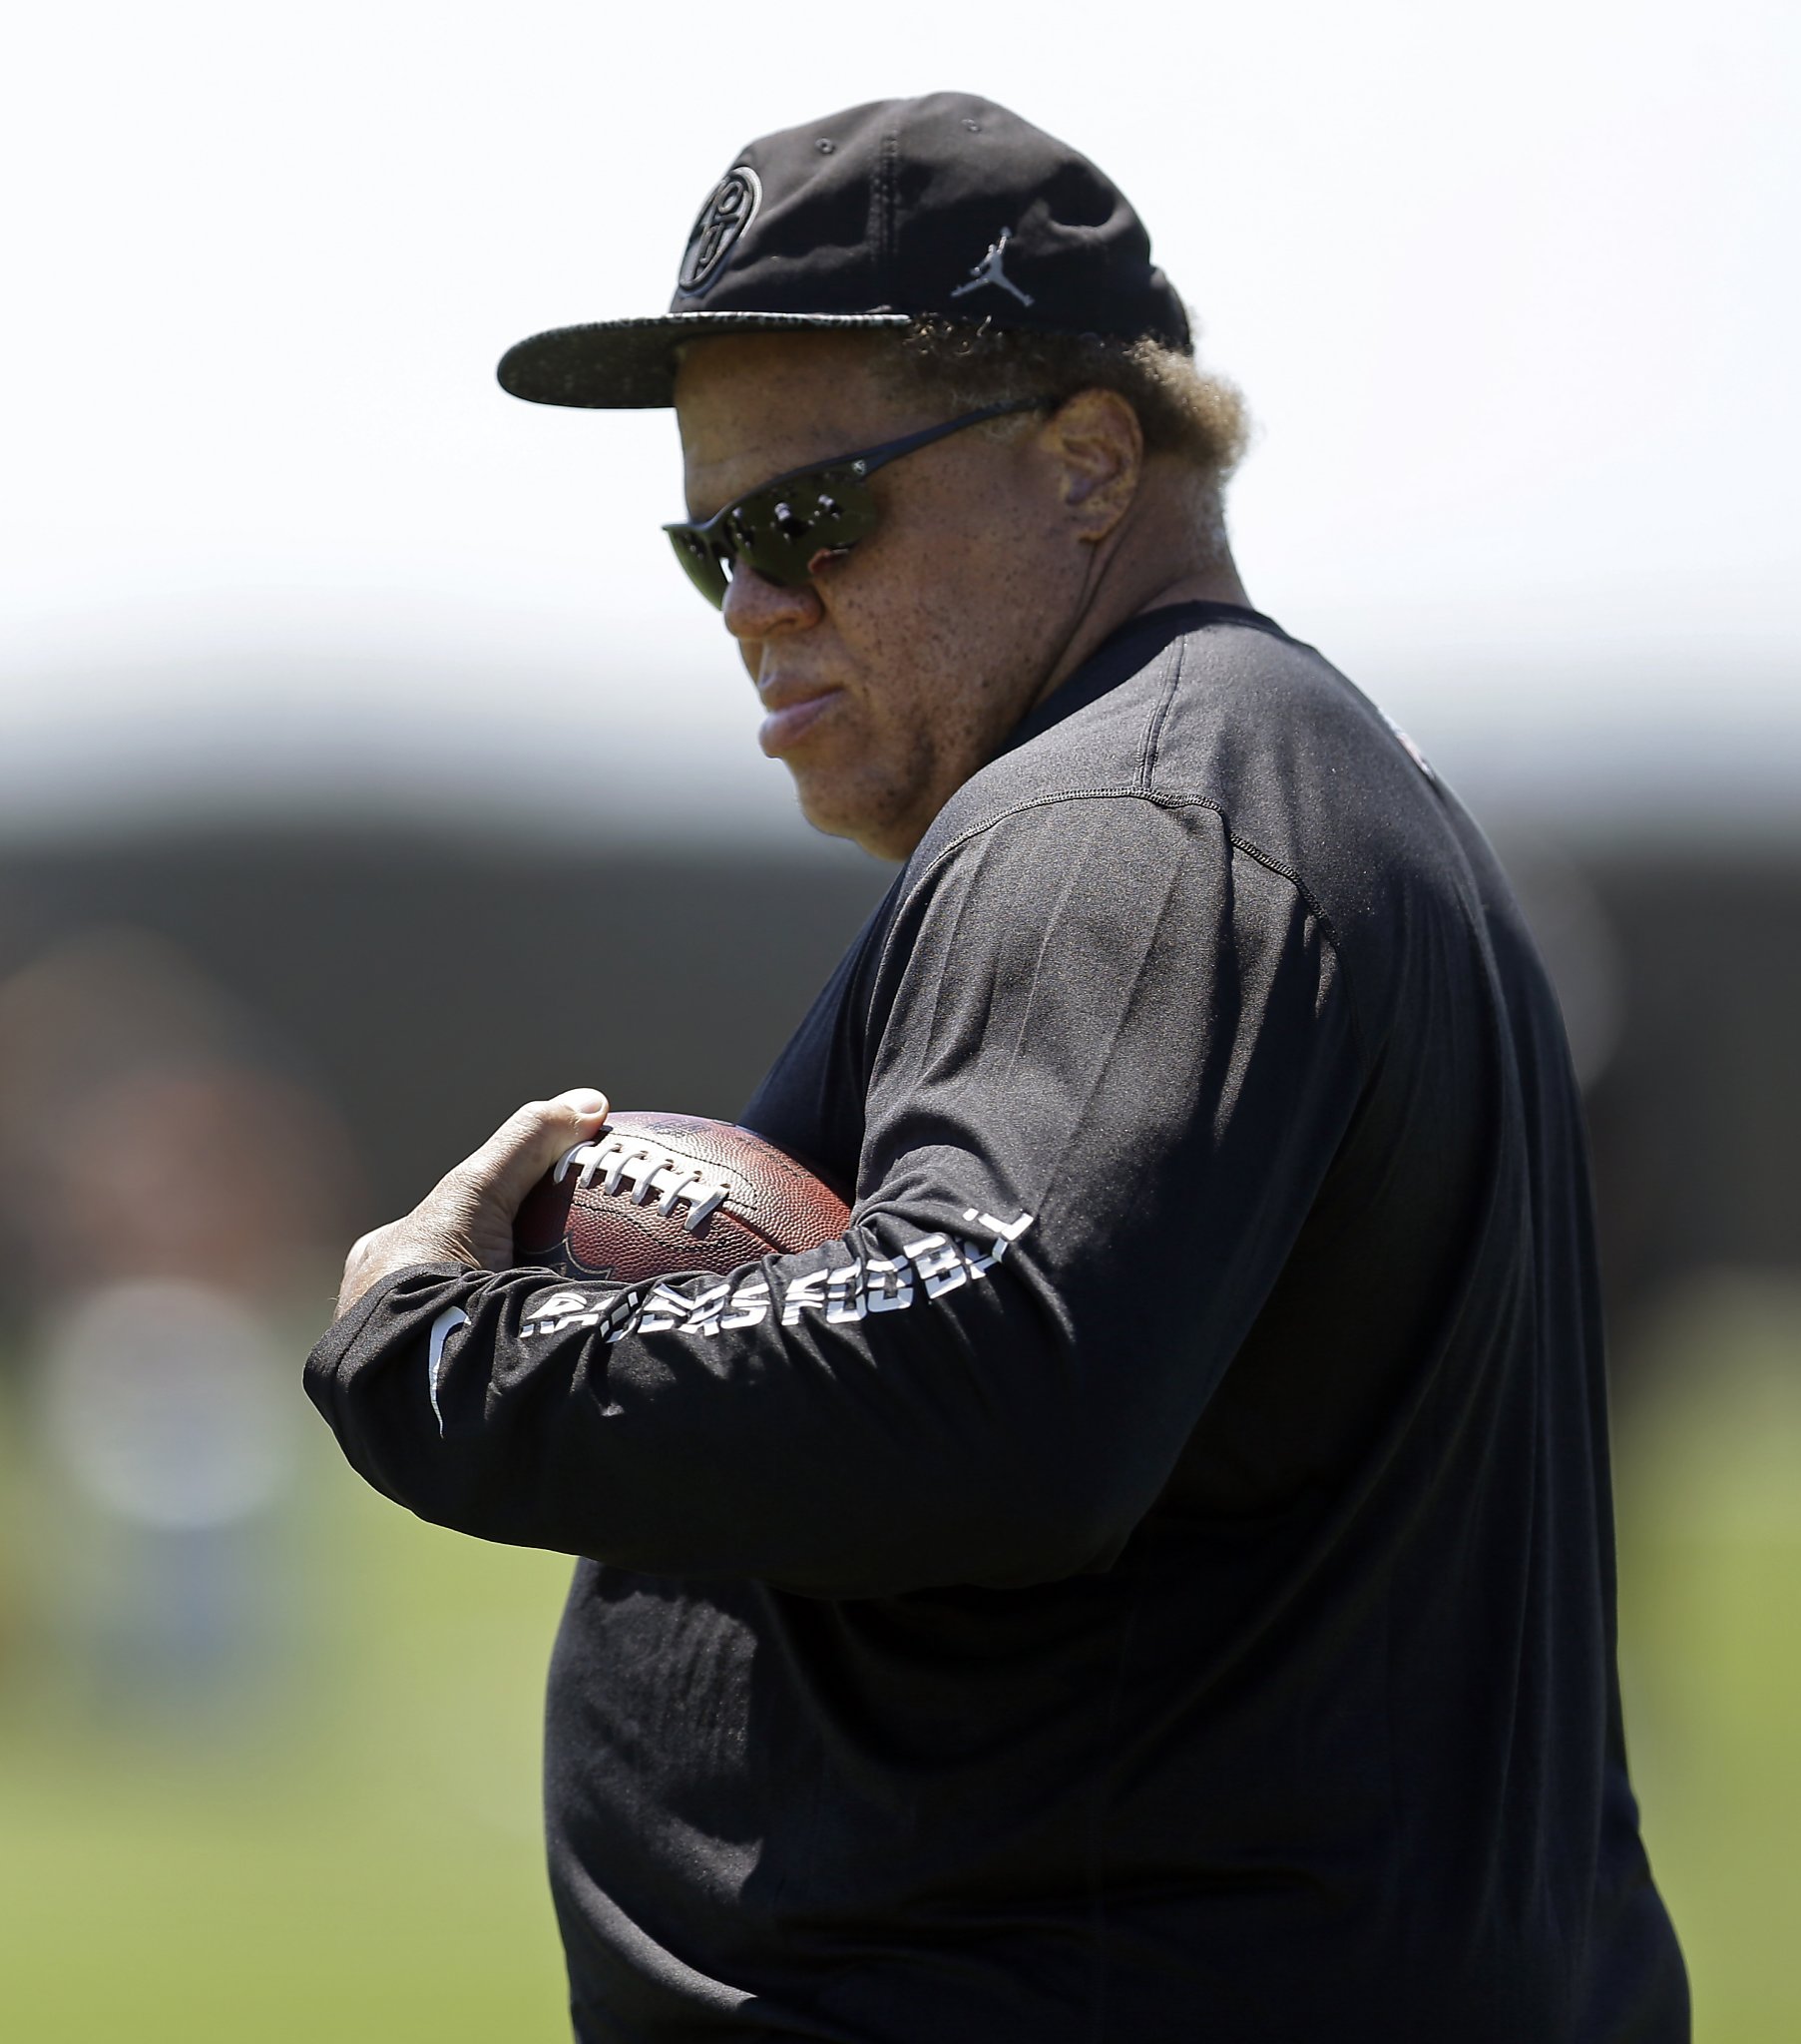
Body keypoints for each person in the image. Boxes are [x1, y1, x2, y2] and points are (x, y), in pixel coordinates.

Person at [307, 93, 1688, 2041]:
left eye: (810, 517)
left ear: (1088, 462)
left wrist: (440, 1345)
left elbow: (986, 1377)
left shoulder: (1127, 817)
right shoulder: (1259, 786)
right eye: (707, 544)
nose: (754, 606)